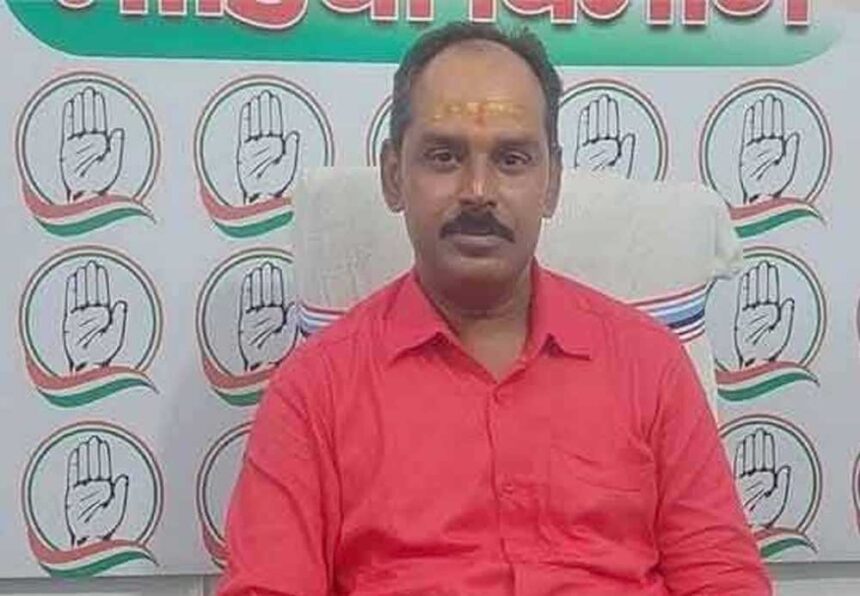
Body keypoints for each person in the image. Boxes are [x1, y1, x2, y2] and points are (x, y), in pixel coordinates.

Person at [217, 22, 771, 596]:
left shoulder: (649, 364)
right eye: (444, 156)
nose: (478, 190)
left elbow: (722, 578)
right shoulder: (315, 390)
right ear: (393, 176)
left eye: (511, 159)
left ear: (551, 183)